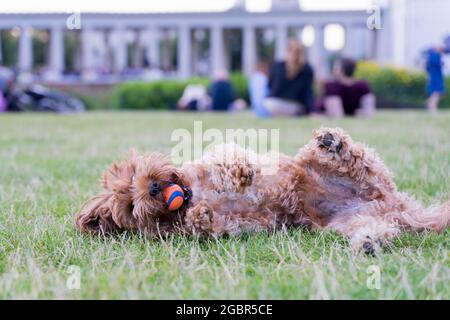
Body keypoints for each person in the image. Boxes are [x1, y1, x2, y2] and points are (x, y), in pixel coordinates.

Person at [263, 39, 314, 117]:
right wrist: (311, 110)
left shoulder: (276, 66)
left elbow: (269, 85)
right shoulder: (307, 69)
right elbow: (308, 93)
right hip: (294, 106)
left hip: (273, 105)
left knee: (268, 104)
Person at [424, 45, 445, 112]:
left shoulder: (435, 56)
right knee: (437, 92)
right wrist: (441, 63)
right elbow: (434, 64)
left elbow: (427, 67)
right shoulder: (434, 56)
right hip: (434, 76)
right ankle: (432, 107)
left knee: (439, 92)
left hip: (436, 75)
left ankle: (429, 102)